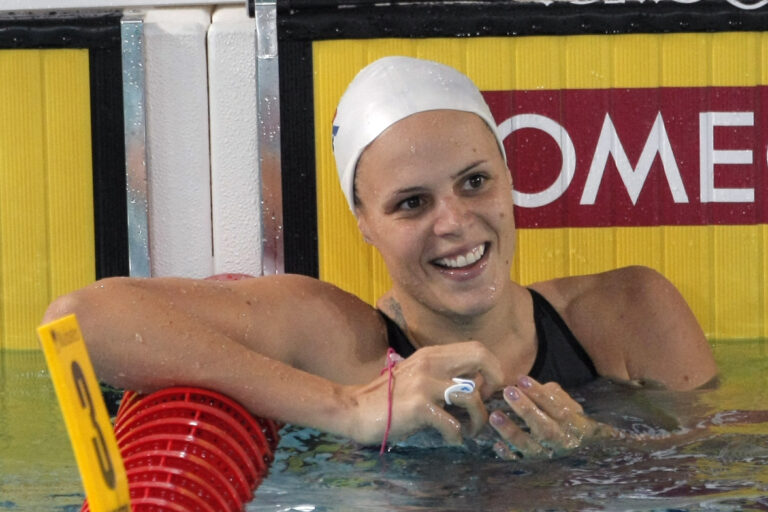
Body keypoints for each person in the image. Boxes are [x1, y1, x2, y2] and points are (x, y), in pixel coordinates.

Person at [43, 56, 717, 460]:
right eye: (410, 204)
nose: (454, 224)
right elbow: (79, 321)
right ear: (364, 223)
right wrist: (349, 407)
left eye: (475, 181)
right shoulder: (337, 342)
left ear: (511, 180)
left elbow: (722, 474)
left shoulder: (629, 313)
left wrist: (597, 450)